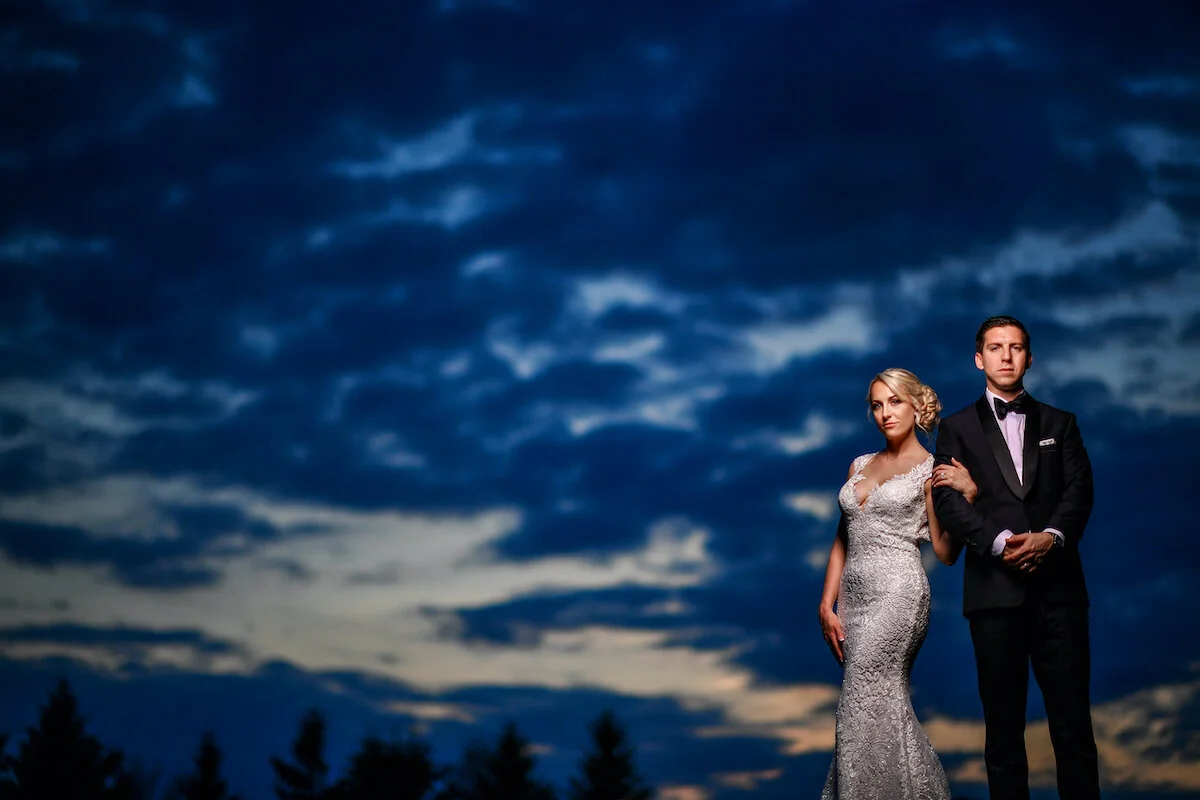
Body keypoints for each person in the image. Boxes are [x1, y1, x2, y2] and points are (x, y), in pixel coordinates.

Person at [931, 315, 1099, 800]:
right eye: (996, 347)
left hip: (1060, 596)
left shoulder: (1061, 423)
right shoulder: (955, 429)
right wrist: (1003, 542)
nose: (1006, 356)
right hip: (993, 599)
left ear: (1029, 357)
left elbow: (1080, 492)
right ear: (978, 358)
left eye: (1017, 347)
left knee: (1073, 732)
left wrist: (1051, 536)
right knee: (1002, 737)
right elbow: (948, 504)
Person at [818, 368, 975, 800]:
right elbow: (842, 538)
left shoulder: (930, 470)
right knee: (878, 704)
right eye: (876, 404)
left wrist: (970, 497)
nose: (885, 413)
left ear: (914, 404)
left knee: (860, 697)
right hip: (854, 598)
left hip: (898, 595)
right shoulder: (860, 465)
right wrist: (826, 604)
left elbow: (944, 552)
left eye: (894, 402)